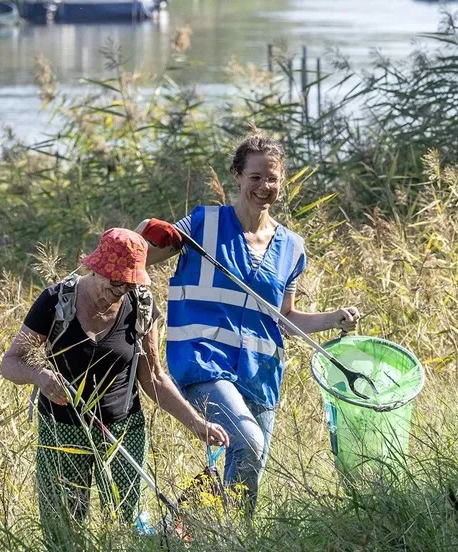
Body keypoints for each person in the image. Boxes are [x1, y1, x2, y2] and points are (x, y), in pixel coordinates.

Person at [137, 134, 360, 516]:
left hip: (261, 373)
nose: (264, 187)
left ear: (282, 180)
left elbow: (285, 319)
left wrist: (334, 318)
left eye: (271, 178)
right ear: (237, 177)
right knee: (248, 441)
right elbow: (137, 256)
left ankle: (224, 534)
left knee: (247, 469)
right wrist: (143, 231)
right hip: (204, 364)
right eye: (255, 177)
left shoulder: (293, 246)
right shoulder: (202, 224)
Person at [0, 228, 229, 544]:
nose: (121, 290)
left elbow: (154, 378)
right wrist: (40, 376)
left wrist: (198, 424)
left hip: (123, 431)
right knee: (63, 530)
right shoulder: (55, 300)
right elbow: (10, 362)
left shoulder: (140, 305)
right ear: (96, 268)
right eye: (115, 281)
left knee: (124, 527)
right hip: (62, 429)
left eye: (130, 283)